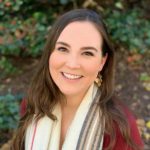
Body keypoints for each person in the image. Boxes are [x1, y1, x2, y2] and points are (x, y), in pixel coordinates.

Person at [12, 9, 143, 150]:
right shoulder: (34, 103)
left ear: (102, 61)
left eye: (87, 53)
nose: (72, 64)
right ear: (50, 53)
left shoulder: (119, 127)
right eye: (63, 49)